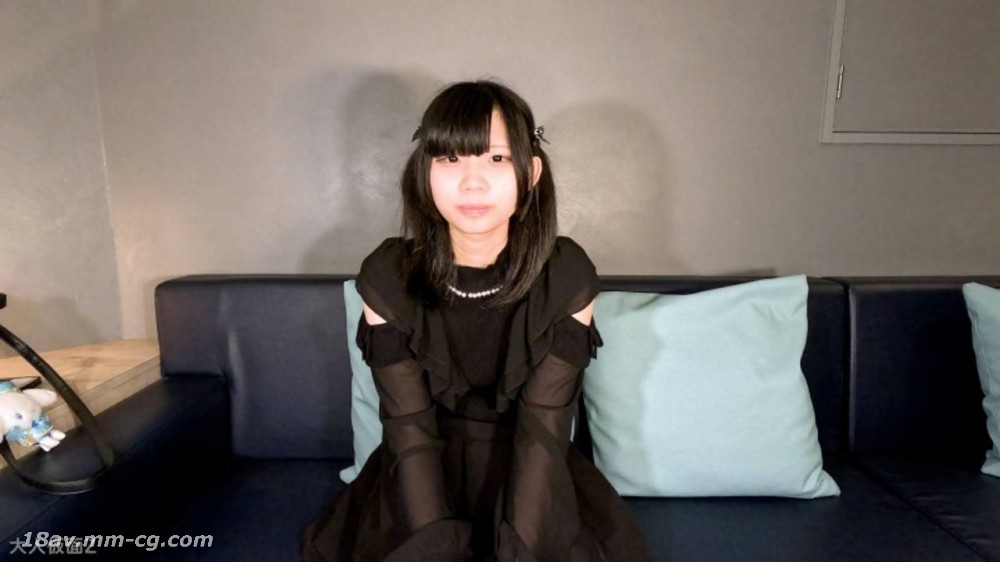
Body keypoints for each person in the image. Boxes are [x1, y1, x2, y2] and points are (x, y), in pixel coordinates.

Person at [302, 80, 649, 562]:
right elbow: (408, 427)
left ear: (531, 173)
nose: (472, 182)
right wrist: (434, 546)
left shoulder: (566, 275)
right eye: (451, 159)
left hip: (535, 473)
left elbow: (545, 427)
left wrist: (521, 548)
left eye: (497, 159)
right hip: (418, 475)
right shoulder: (387, 275)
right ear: (425, 172)